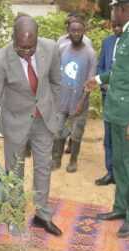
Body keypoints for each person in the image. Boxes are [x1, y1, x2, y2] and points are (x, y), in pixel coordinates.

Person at [0, 16, 62, 236]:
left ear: (37, 38)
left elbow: (56, 82)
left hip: (43, 120)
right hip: (15, 122)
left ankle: (42, 215)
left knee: (44, 167)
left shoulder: (51, 48)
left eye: (31, 47)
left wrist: (55, 113)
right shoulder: (0, 60)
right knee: (14, 172)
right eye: (21, 47)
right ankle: (16, 217)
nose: (26, 52)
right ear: (13, 39)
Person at [85, 0, 129, 238]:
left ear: (123, 9)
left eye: (113, 9)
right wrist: (100, 79)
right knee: (119, 164)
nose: (111, 13)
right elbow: (122, 72)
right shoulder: (126, 35)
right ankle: (120, 208)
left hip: (128, 114)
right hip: (115, 109)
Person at [52, 19, 97, 172]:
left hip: (79, 102)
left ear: (84, 32)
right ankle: (56, 159)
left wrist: (81, 102)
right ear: (68, 32)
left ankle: (73, 161)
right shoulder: (63, 49)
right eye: (73, 30)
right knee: (58, 131)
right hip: (61, 100)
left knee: (76, 133)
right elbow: (56, 73)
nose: (76, 33)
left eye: (79, 31)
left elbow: (90, 82)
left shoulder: (90, 53)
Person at [95, 16, 122, 186]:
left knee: (122, 137)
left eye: (120, 25)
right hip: (107, 97)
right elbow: (100, 67)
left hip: (124, 99)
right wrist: (102, 83)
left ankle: (121, 175)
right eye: (114, 25)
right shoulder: (107, 42)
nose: (117, 28)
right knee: (109, 137)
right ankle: (110, 171)